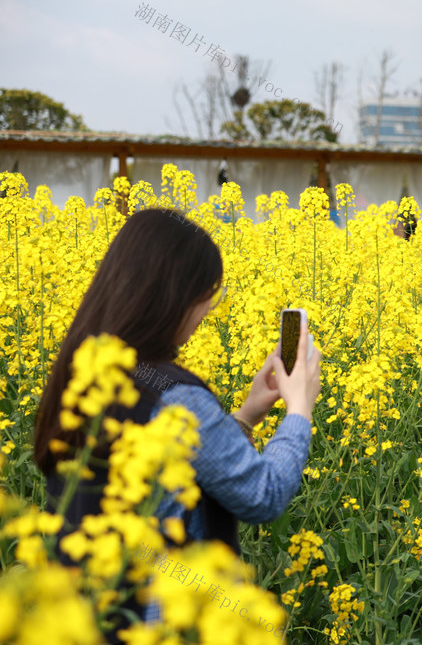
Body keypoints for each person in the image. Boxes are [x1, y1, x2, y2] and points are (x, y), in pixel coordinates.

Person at [33, 208, 322, 638]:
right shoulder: (173, 394)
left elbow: (178, 468)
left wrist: (246, 416)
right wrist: (300, 409)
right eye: (206, 296)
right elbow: (263, 494)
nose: (207, 311)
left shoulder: (82, 370)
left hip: (87, 617)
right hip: (168, 621)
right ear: (171, 295)